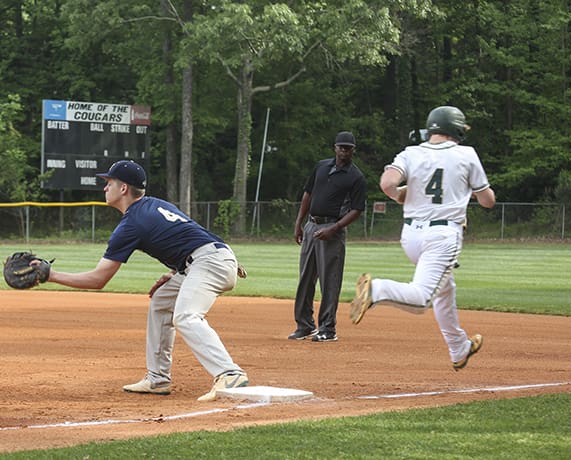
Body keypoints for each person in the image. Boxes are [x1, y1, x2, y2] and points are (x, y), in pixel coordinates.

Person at [44, 160, 248, 401]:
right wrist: (177, 272)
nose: (104, 188)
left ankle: (229, 373)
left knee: (186, 315)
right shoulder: (155, 205)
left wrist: (51, 275)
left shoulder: (131, 224)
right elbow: (189, 237)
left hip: (209, 263)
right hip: (210, 259)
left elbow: (99, 279)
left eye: (109, 183)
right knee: (162, 300)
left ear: (123, 189)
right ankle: (157, 378)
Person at [349, 106, 496, 370]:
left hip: (411, 236)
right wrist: (471, 191)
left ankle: (458, 348)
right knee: (422, 299)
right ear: (457, 130)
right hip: (442, 236)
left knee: (445, 290)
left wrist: (400, 194)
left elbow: (387, 183)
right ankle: (378, 289)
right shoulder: (466, 154)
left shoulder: (411, 152)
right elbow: (488, 201)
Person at [288, 131, 368, 342]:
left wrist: (335, 228)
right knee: (305, 278)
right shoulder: (321, 166)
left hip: (332, 230)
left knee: (329, 281)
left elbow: (357, 209)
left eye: (348, 148)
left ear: (353, 150)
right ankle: (304, 325)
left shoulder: (356, 177)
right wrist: (299, 224)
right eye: (341, 147)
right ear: (335, 147)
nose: (344, 150)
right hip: (311, 226)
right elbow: (308, 194)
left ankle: (328, 328)